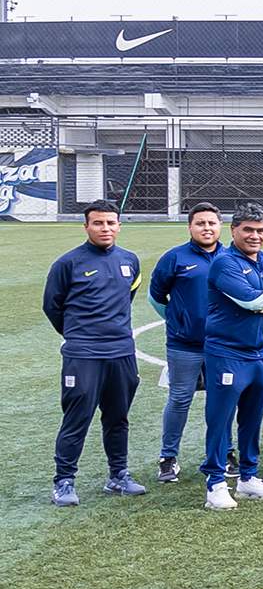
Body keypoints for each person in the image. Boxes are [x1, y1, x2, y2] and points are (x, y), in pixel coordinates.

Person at [44, 200, 147, 506]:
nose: (105, 228)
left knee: (118, 417)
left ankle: (118, 476)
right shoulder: (67, 264)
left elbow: (127, 298)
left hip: (122, 353)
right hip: (83, 354)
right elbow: (53, 306)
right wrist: (78, 336)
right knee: (78, 417)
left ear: (119, 225)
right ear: (86, 226)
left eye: (111, 223)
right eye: (98, 223)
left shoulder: (130, 260)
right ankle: (63, 481)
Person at [200, 203, 263, 509]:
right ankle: (215, 482)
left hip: (260, 353)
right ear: (234, 231)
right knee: (220, 419)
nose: (255, 236)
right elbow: (249, 301)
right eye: (248, 230)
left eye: (260, 231)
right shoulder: (224, 263)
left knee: (253, 418)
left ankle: (247, 478)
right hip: (226, 353)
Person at [148, 202, 222, 484]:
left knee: (221, 401)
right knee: (179, 399)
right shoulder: (174, 258)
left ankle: (223, 453)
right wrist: (176, 320)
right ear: (190, 227)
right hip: (184, 345)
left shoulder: (229, 257)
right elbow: (156, 296)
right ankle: (168, 458)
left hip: (221, 345)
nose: (206, 228)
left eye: (211, 223)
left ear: (220, 227)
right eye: (200, 223)